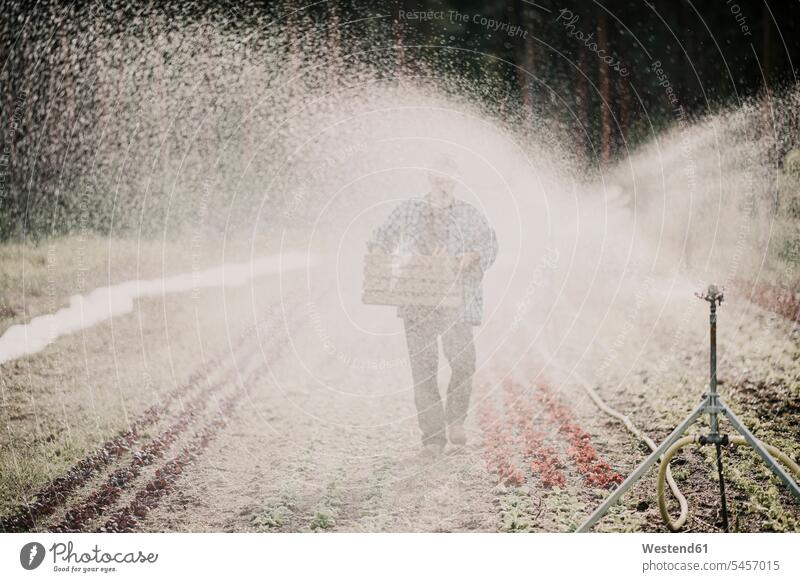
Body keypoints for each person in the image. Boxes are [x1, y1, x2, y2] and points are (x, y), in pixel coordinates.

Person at [368, 155, 498, 460]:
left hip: (456, 304)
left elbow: (490, 244)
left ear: (456, 181)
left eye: (448, 177)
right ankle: (433, 438)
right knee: (424, 370)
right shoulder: (408, 210)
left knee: (463, 363)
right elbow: (381, 236)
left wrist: (473, 256)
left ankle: (455, 420)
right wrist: (378, 254)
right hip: (417, 302)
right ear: (429, 179)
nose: (442, 182)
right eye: (437, 177)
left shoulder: (469, 214)